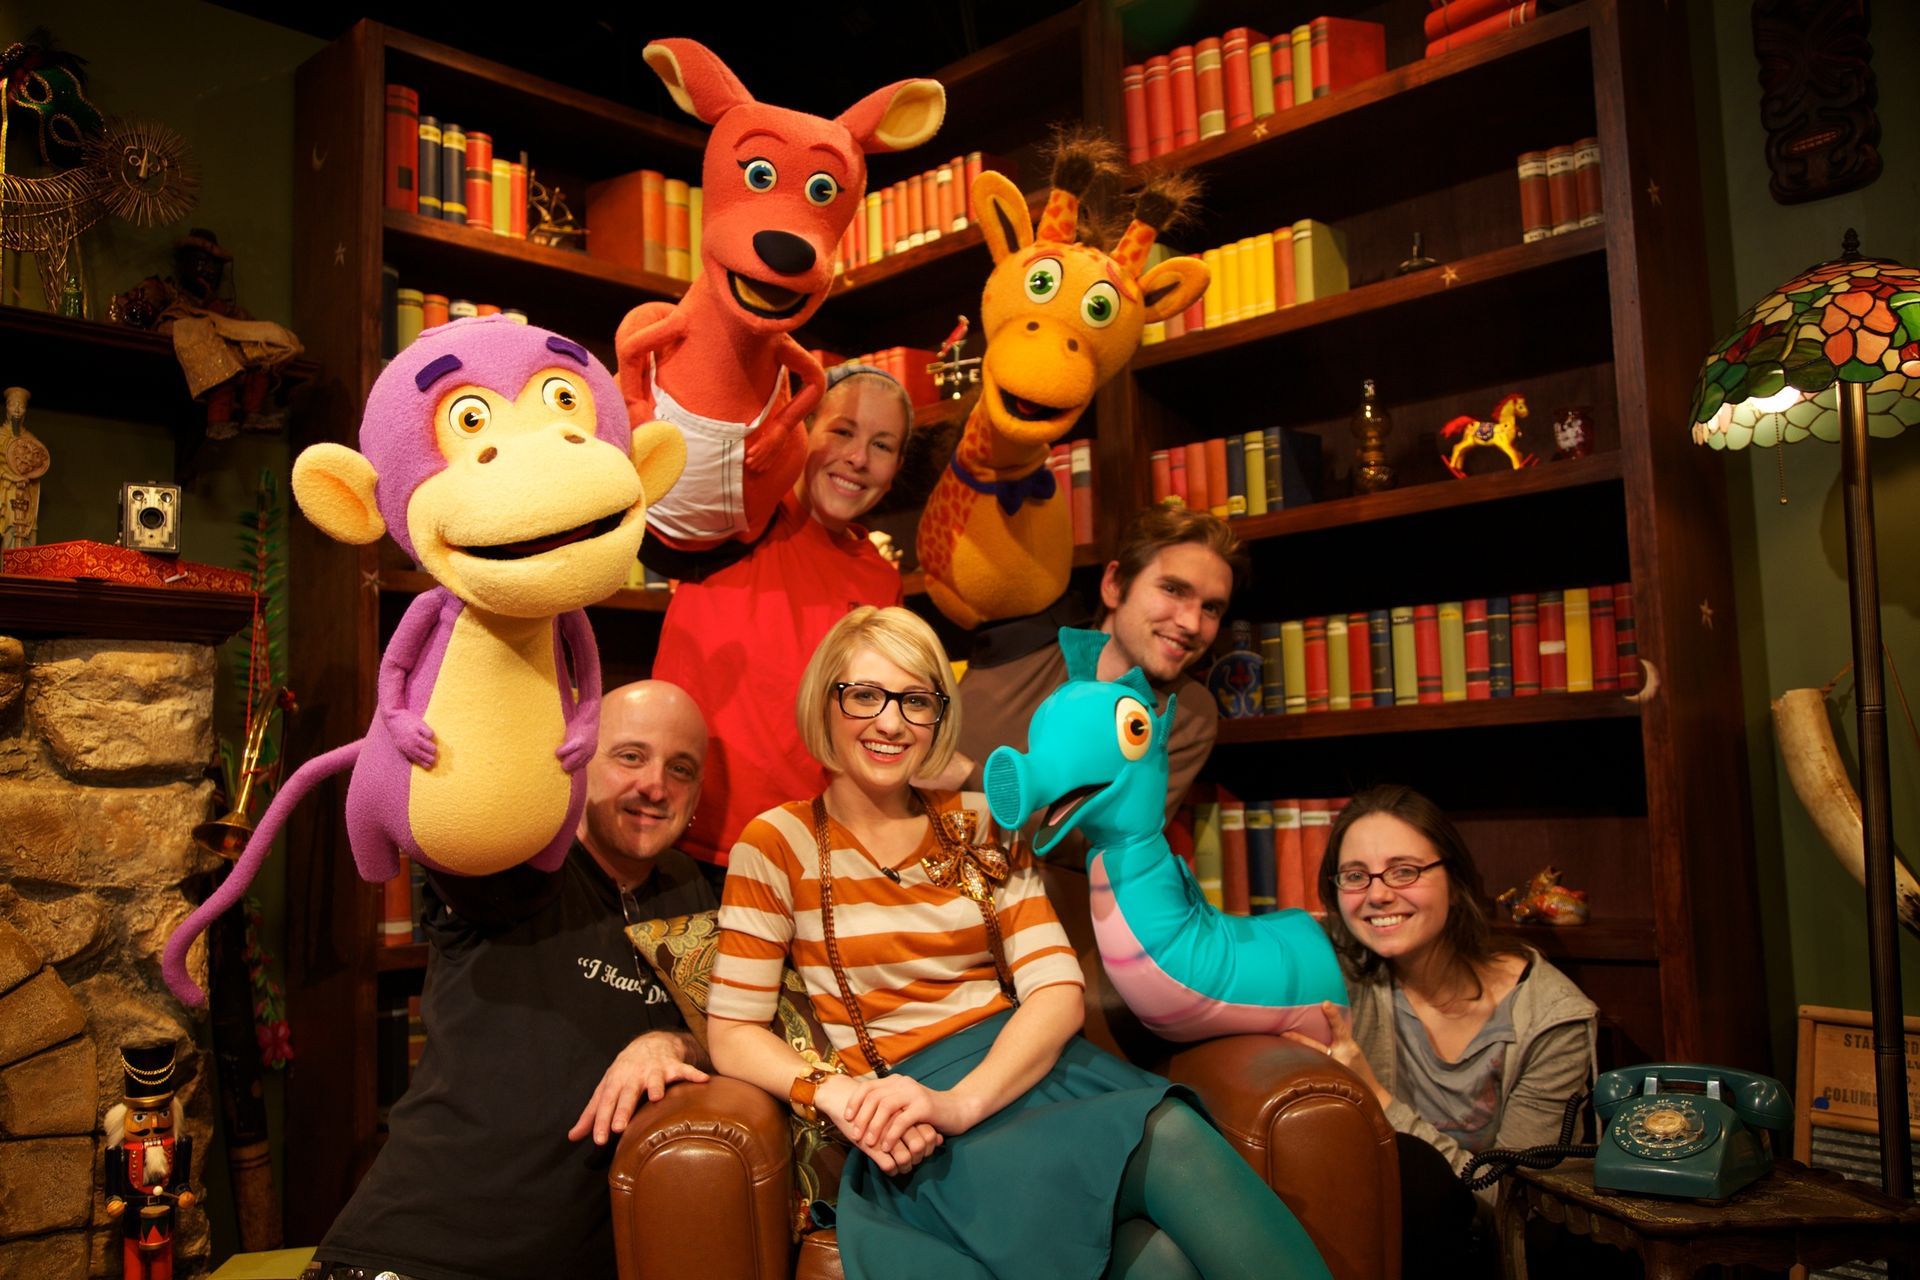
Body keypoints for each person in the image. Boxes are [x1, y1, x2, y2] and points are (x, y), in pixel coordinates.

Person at [706, 606, 1331, 1280]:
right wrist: (834, 1095)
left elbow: (1056, 993)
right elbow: (734, 1030)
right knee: (1159, 1266)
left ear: (939, 717)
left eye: (916, 700)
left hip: (1026, 1072)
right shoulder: (776, 843)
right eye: (864, 695)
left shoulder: (982, 826)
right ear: (824, 702)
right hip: (910, 1110)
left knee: (1171, 1138)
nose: (891, 722)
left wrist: (964, 1102)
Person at [308, 681, 717, 1280]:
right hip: (417, 1254)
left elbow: (738, 1028)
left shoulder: (687, 887)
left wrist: (672, 1042)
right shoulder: (518, 858)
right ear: (580, 761)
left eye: (680, 769)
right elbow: (444, 800)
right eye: (630, 756)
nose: (655, 786)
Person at [1295, 783, 1598, 1277]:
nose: (1376, 894)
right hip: (1379, 1240)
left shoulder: (1552, 1017)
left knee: (1412, 1168)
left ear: (1454, 881)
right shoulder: (1340, 967)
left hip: (1495, 1253)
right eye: (1355, 877)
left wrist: (1374, 1097)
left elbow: (1521, 1204)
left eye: (1404, 871)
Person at [651, 363, 913, 887]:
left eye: (882, 446)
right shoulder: (737, 513)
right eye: (842, 431)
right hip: (687, 844)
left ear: (896, 467)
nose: (858, 459)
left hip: (817, 859)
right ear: (802, 430)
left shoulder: (883, 581)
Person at [954, 503, 1246, 832]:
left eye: (1210, 608)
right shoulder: (1021, 648)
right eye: (1173, 589)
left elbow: (1112, 843)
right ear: (1114, 584)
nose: (1192, 623)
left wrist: (968, 777)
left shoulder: (1187, 713)